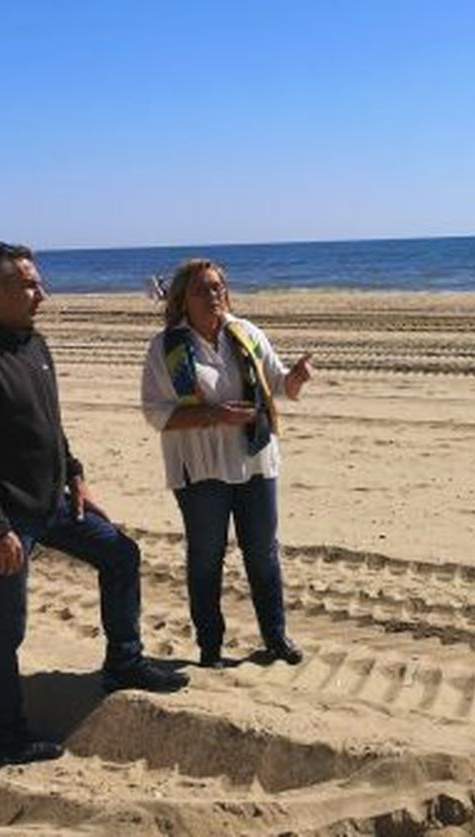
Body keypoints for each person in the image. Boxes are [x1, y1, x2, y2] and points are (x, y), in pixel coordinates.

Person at [0, 241, 188, 766]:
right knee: (6, 627)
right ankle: (5, 734)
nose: (41, 294)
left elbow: (49, 423)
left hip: (51, 501)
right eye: (29, 285)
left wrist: (75, 476)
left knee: (121, 554)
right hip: (5, 518)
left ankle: (124, 662)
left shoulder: (32, 343)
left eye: (38, 282)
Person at [140, 258, 314, 668]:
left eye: (218, 287)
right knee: (206, 556)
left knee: (263, 553)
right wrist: (215, 415)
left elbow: (278, 385)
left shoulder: (246, 333)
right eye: (202, 289)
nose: (213, 296)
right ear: (183, 299)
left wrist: (298, 378)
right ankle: (211, 647)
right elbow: (155, 413)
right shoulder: (166, 348)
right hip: (199, 470)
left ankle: (275, 638)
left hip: (254, 461)